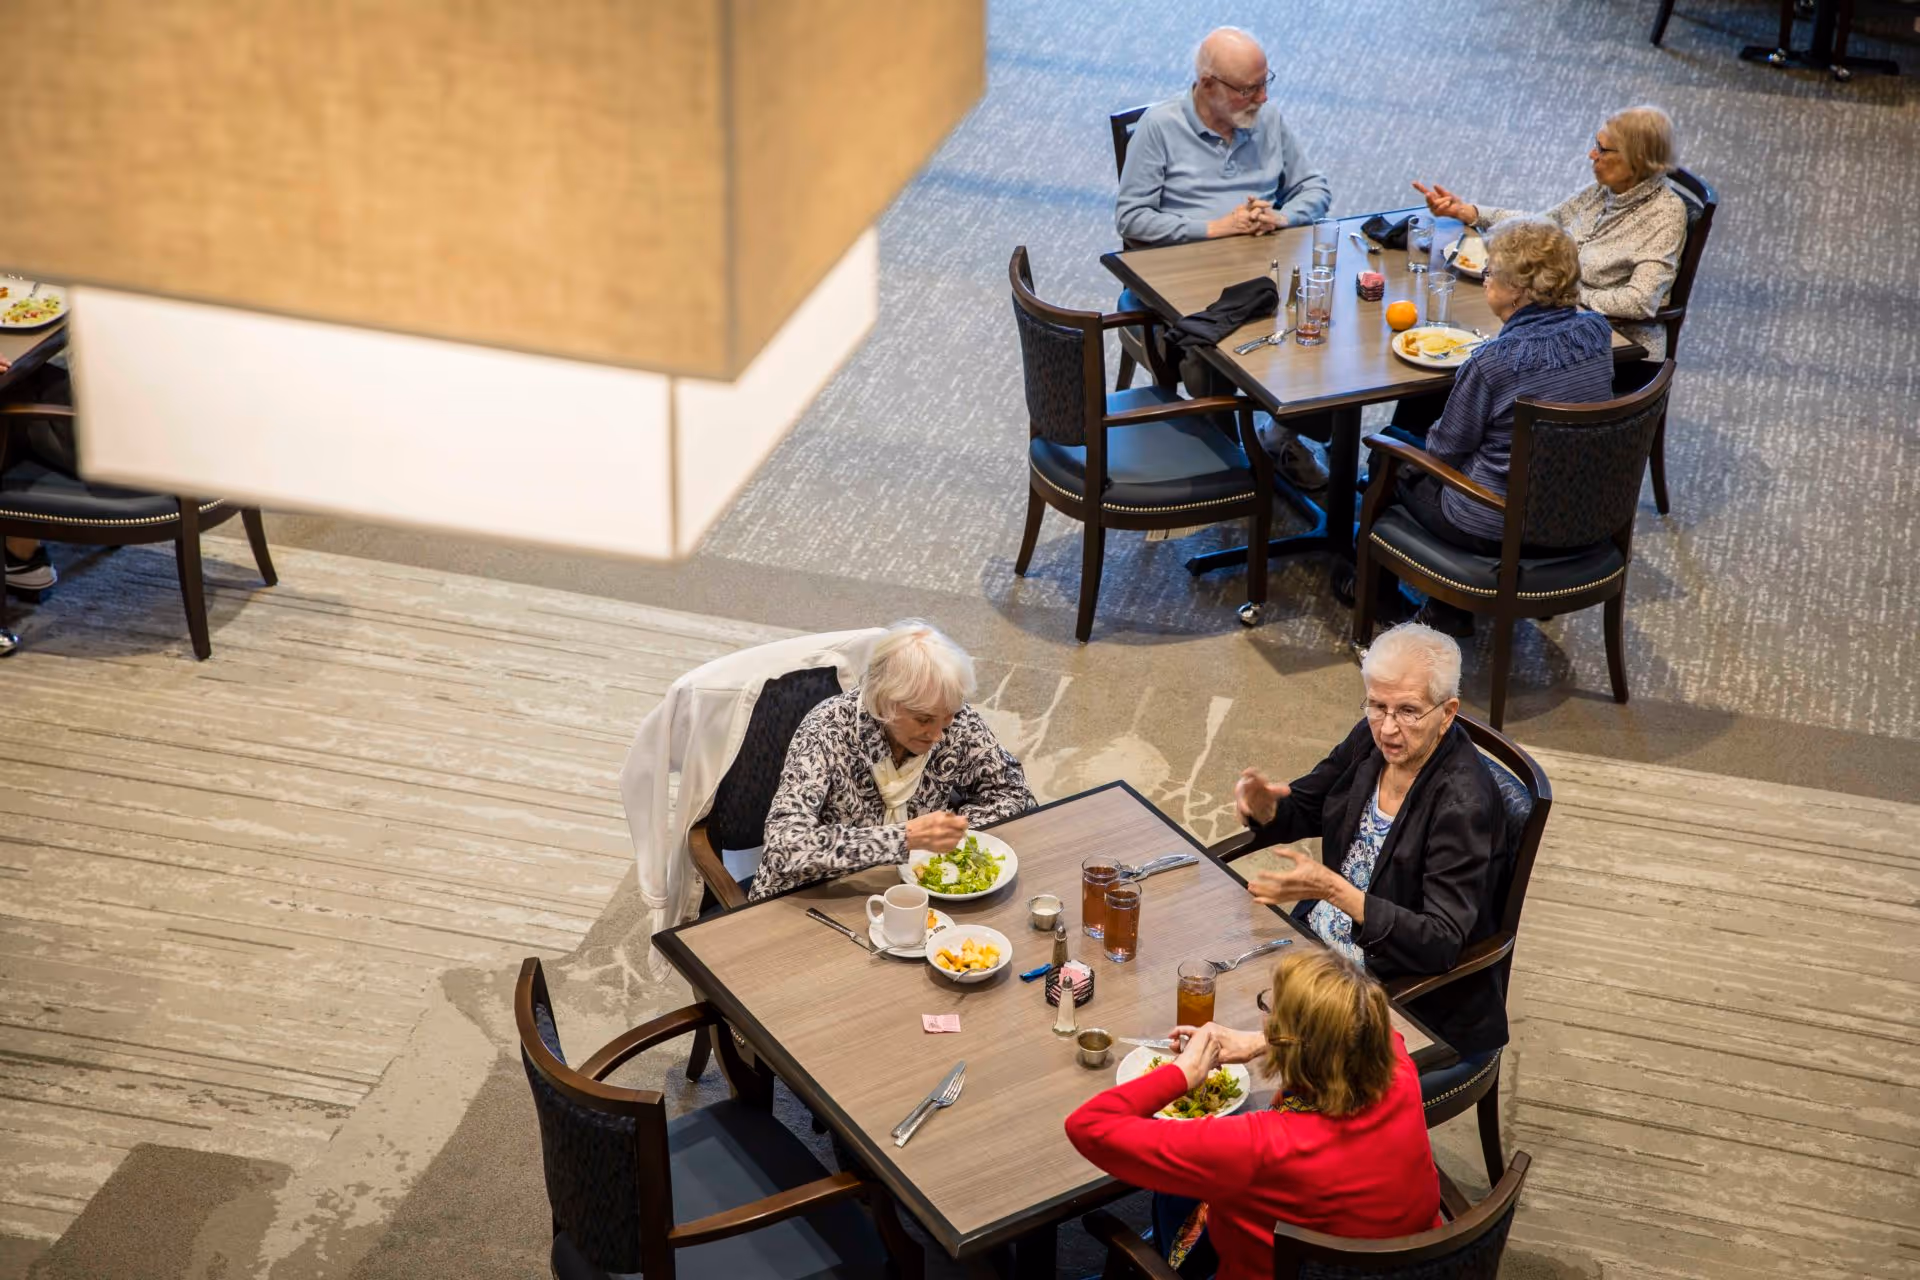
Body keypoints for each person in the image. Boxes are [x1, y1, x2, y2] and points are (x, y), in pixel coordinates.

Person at [1233, 622, 1507, 1111]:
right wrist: (1266, 809)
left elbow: (1440, 941)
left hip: (1404, 993)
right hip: (1321, 953)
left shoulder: (1463, 802)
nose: (1387, 728)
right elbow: (1308, 803)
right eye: (1376, 706)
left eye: (1407, 711)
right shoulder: (1371, 740)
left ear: (1448, 714)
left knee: (1248, 1100)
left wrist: (1335, 891)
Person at [1066, 949, 1441, 1280]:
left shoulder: (1258, 1145)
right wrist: (1259, 1042)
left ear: (1290, 1043)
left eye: (1270, 1012)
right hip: (1407, 1266)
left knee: (1169, 1192)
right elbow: (1378, 1028)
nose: (1265, 1019)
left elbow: (1088, 1126)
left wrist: (1184, 1073)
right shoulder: (1400, 1075)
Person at [1337, 216, 1618, 636]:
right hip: (1577, 514)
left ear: (1518, 292)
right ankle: (1446, 604)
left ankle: (1379, 595)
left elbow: (1444, 451)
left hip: (1495, 525)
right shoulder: (1597, 333)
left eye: (1491, 273)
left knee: (1388, 454)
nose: (1485, 279)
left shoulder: (1492, 363)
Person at [1114, 26, 1333, 490]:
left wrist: (1282, 217)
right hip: (1188, 287)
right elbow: (1132, 219)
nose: (1262, 96)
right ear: (1207, 84)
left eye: (1265, 82)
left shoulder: (1267, 119)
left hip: (1264, 275)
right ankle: (1228, 466)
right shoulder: (1160, 127)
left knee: (1327, 330)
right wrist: (1215, 228)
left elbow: (1316, 188)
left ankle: (1281, 437)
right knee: (1210, 357)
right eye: (1248, 88)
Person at [751, 620, 1033, 899]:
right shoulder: (827, 729)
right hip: (817, 894)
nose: (938, 735)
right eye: (923, 720)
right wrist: (906, 838)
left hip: (912, 890)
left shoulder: (956, 720)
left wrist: (949, 833)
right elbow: (784, 847)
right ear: (885, 701)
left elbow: (1015, 793)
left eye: (947, 719)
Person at [1413, 105, 1687, 361]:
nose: (1592, 155)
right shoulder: (1607, 190)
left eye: (1602, 149)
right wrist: (1470, 212)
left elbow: (1640, 302)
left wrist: (1567, 295)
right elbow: (1542, 225)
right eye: (1595, 144)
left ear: (1635, 161)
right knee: (1447, 345)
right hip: (1556, 322)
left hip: (1617, 349)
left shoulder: (1665, 214)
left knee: (1471, 361)